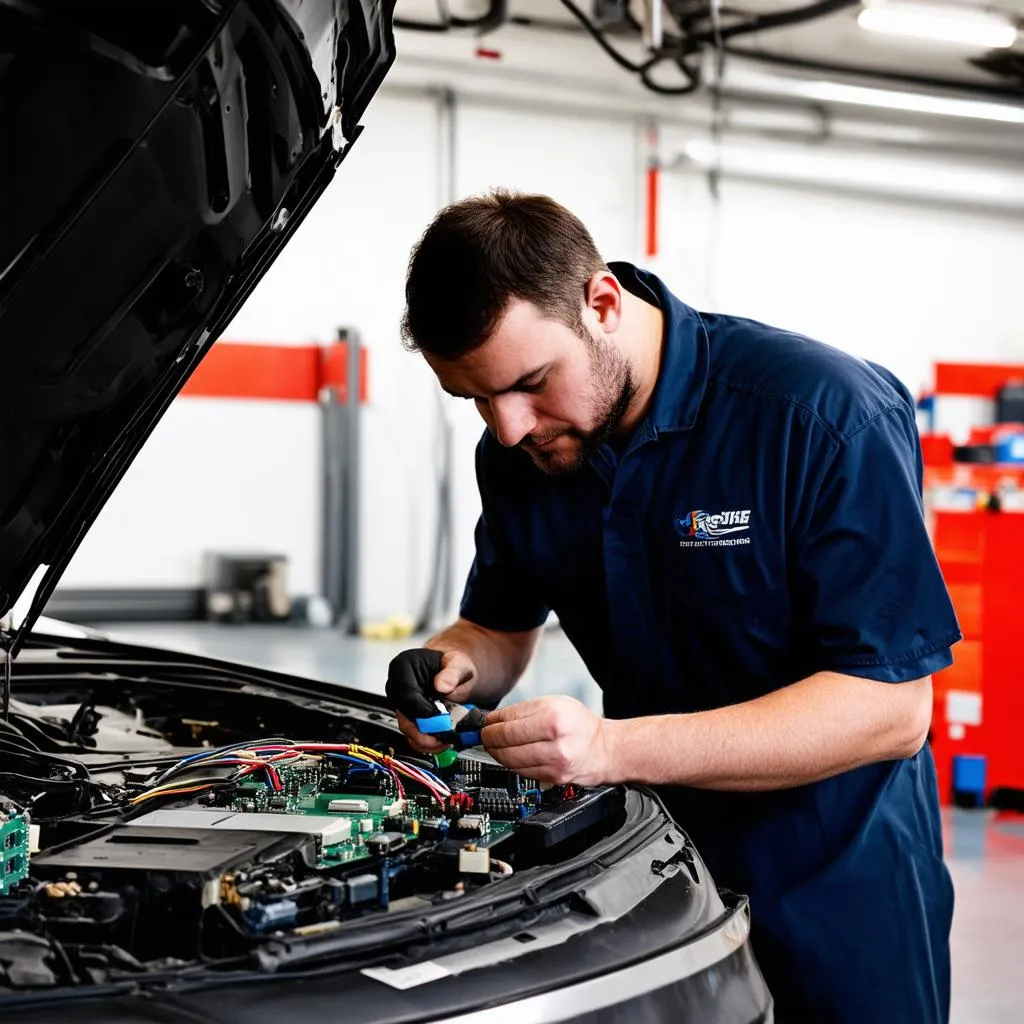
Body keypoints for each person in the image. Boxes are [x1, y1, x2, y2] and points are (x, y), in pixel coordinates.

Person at [386, 189, 960, 1023]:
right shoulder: (523, 454)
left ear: (603, 303)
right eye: (474, 399)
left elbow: (892, 707)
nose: (508, 428)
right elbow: (502, 629)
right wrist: (454, 663)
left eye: (530, 384)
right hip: (650, 878)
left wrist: (612, 748)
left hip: (841, 890)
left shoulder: (821, 416)